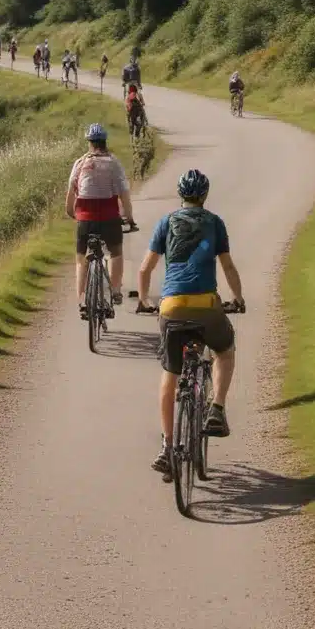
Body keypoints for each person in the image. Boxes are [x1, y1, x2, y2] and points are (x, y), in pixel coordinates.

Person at [136, 169, 245, 475]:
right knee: (224, 350)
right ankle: (217, 409)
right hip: (206, 304)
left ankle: (167, 446)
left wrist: (144, 301)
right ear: (205, 196)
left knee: (170, 373)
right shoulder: (215, 222)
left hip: (171, 307)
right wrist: (238, 299)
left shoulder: (165, 222)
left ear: (180, 195)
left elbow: (145, 270)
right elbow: (228, 266)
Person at [66, 123, 137, 315]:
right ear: (105, 142)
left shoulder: (80, 163)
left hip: (85, 220)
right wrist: (129, 219)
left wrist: (76, 216)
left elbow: (69, 200)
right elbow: (124, 196)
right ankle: (115, 291)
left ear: (89, 143)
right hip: (109, 218)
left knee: (81, 260)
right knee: (116, 252)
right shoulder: (114, 163)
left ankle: (81, 300)